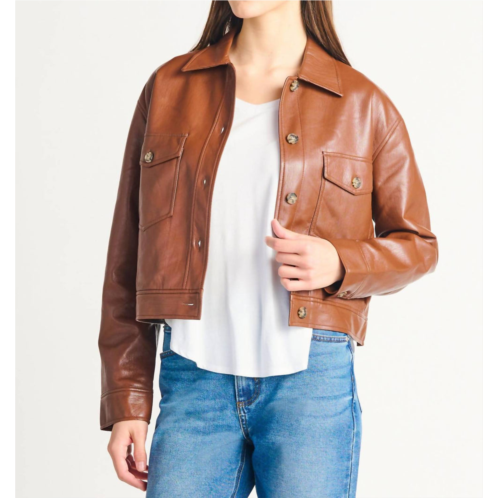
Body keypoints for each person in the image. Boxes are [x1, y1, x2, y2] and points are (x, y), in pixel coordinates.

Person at [99, 0, 438, 496]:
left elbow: (418, 245)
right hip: (193, 377)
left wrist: (340, 261)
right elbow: (126, 256)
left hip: (310, 382)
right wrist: (127, 400)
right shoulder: (170, 88)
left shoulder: (361, 103)